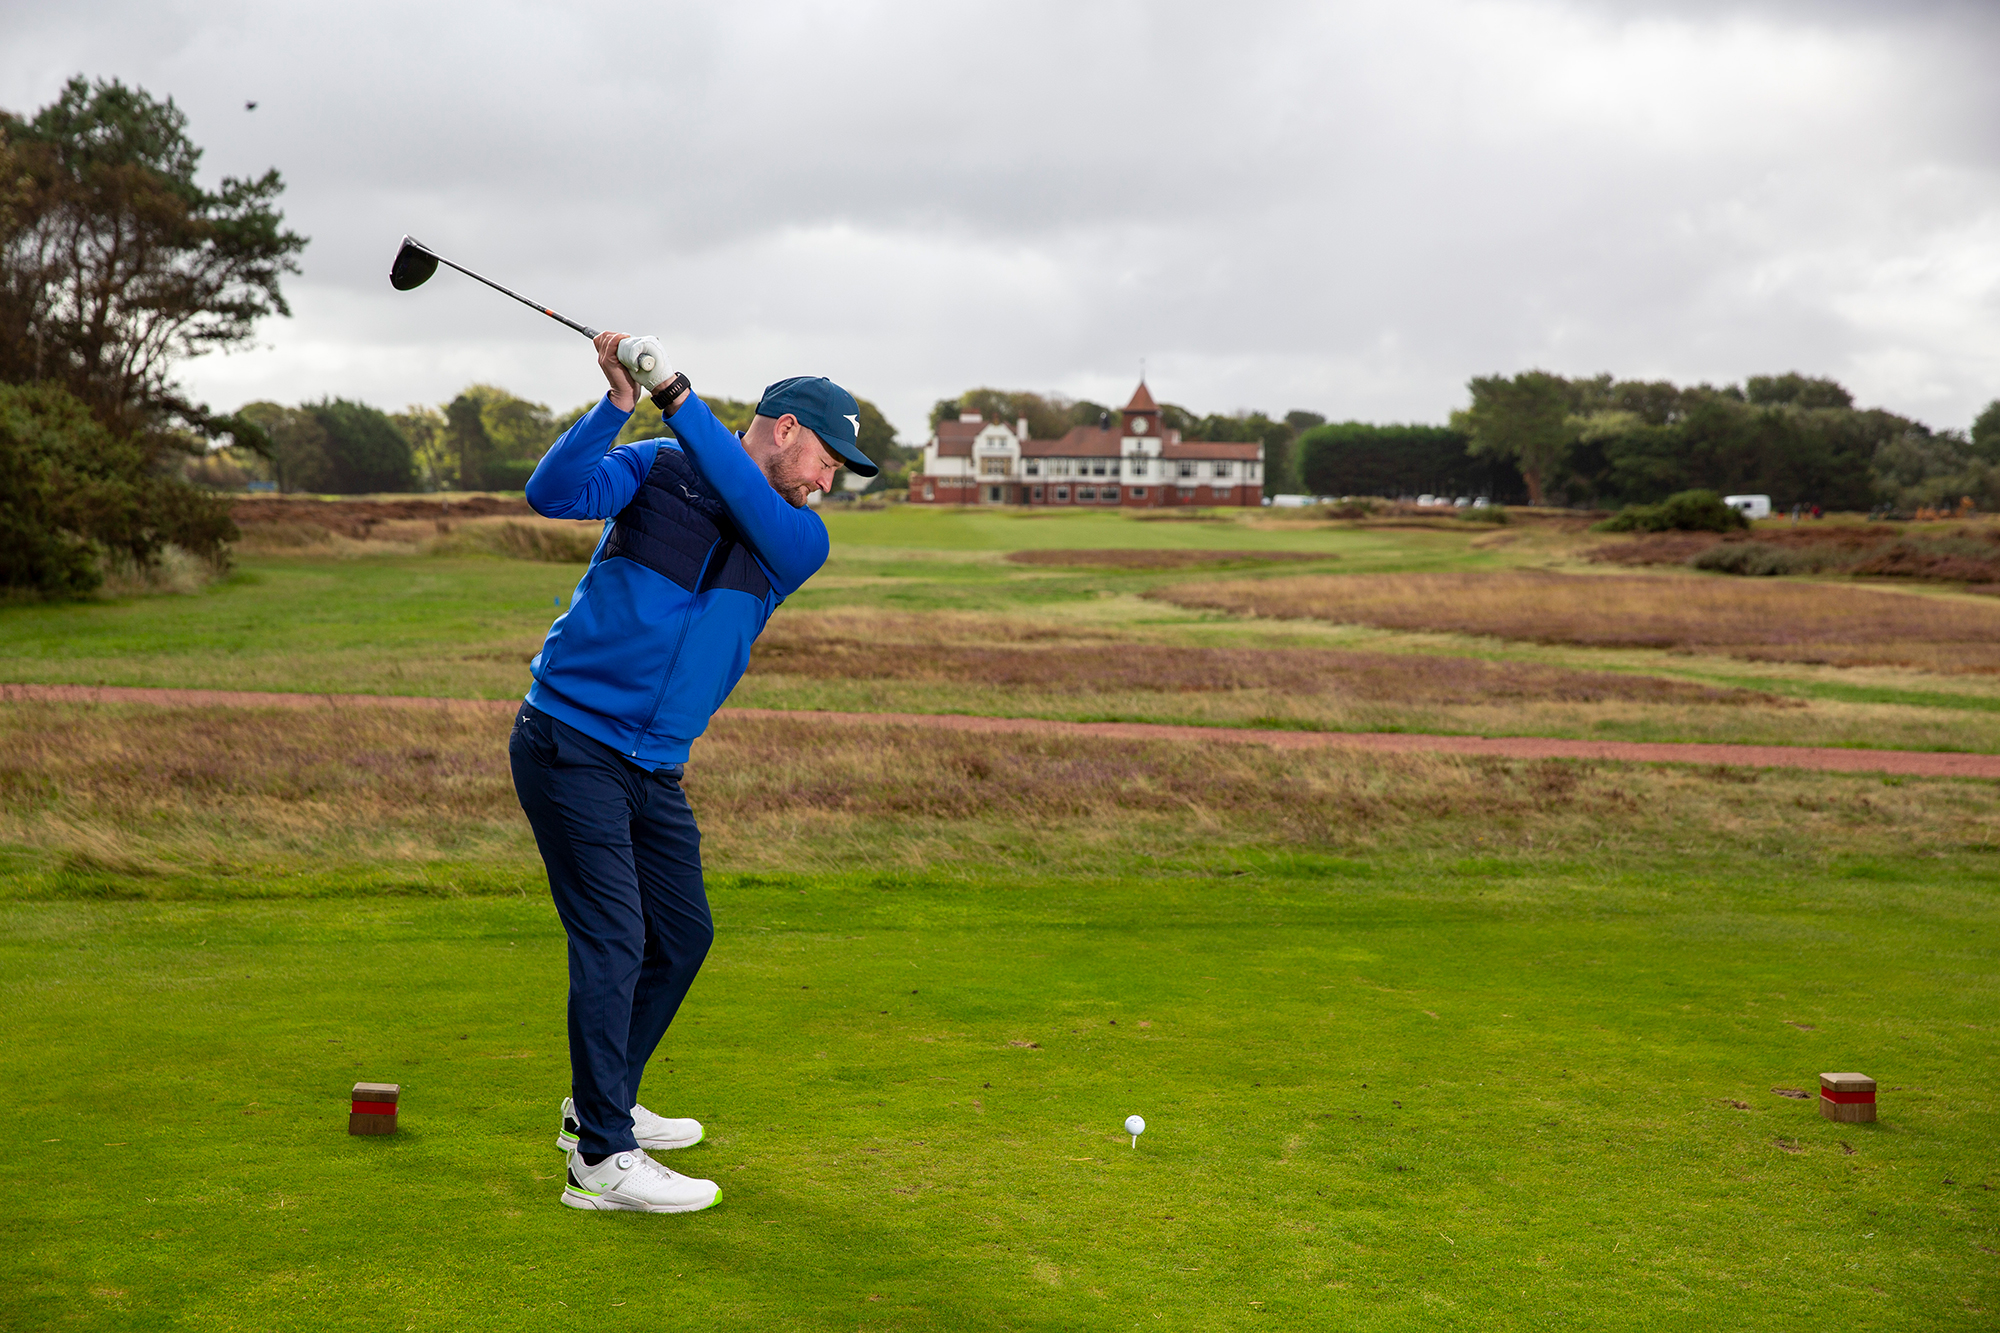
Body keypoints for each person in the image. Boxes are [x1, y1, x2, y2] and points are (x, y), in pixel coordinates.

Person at [509, 332, 875, 1213]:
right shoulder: (655, 468)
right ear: (784, 430)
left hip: (654, 766)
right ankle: (601, 1158)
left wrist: (676, 389)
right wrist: (617, 404)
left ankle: (600, 1104)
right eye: (828, 459)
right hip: (570, 740)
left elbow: (740, 488)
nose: (830, 484)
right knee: (615, 938)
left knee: (683, 934)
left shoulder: (796, 539)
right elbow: (551, 493)